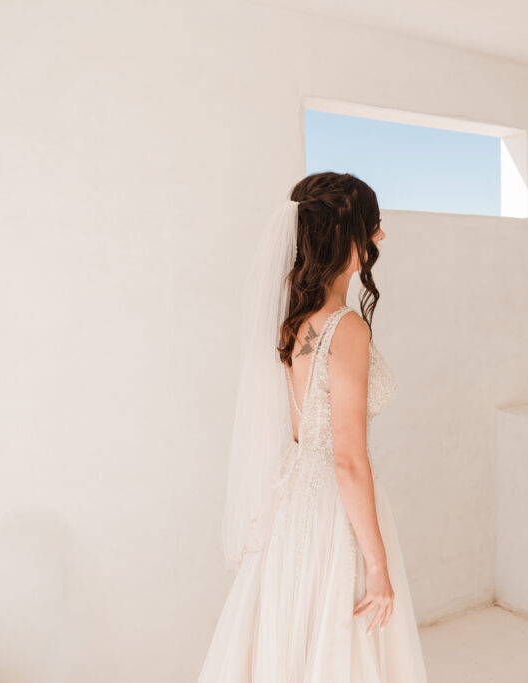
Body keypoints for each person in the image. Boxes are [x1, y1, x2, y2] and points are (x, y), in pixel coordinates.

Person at [198, 172, 428, 682]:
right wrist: (378, 567)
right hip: (331, 503)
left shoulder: (293, 320)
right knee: (339, 637)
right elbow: (347, 458)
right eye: (374, 225)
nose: (381, 237)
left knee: (292, 626)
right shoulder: (345, 326)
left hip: (292, 494)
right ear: (347, 235)